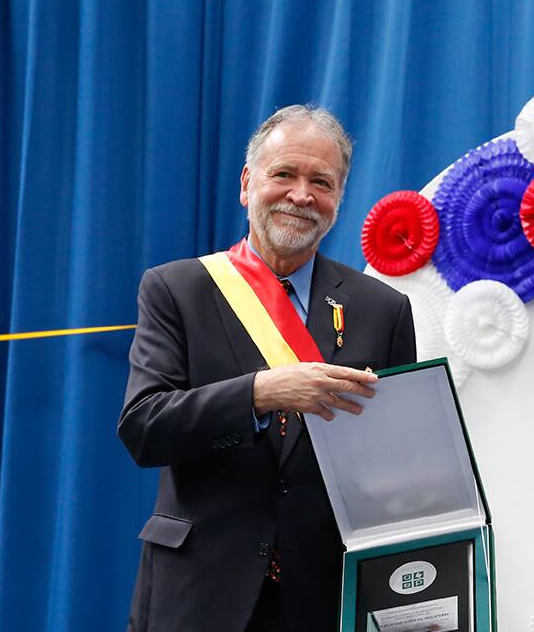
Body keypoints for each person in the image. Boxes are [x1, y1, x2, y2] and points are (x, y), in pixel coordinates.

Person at [119, 105, 417, 631]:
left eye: (321, 182)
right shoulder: (177, 289)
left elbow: (395, 468)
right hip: (198, 592)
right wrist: (259, 392)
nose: (301, 195)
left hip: (324, 597)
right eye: (284, 174)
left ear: (339, 199)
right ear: (247, 183)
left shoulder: (383, 310)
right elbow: (144, 428)